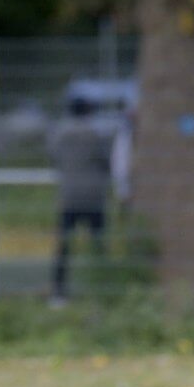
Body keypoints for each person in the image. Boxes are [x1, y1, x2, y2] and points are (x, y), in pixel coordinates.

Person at [47, 96, 114, 307]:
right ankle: (103, 287)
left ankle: (59, 292)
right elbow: (106, 161)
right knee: (98, 244)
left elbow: (53, 156)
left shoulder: (59, 134)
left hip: (69, 196)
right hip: (94, 196)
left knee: (64, 246)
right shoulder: (95, 134)